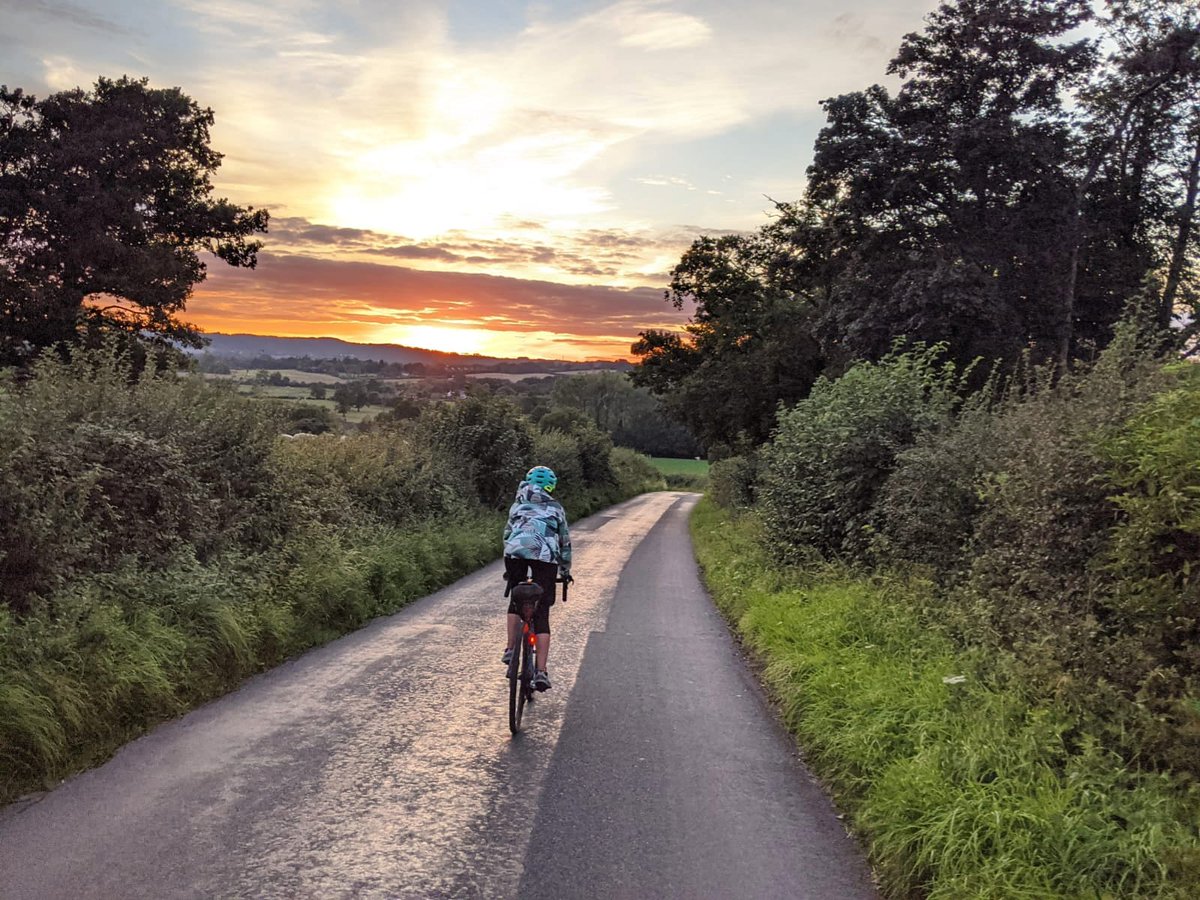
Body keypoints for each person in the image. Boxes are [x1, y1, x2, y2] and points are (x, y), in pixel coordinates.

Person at [502, 465, 572, 691]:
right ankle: (541, 671)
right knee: (541, 612)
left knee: (516, 599)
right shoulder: (556, 508)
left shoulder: (518, 504)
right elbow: (564, 542)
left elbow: (507, 534)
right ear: (551, 487)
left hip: (515, 552)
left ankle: (510, 649)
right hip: (544, 556)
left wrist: (511, 564)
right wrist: (565, 570)